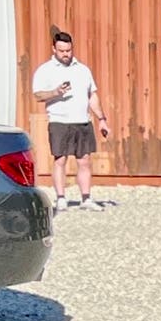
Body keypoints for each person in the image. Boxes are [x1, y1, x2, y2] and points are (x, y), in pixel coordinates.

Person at [32, 29, 114, 211]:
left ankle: (86, 198)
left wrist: (101, 119)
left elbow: (92, 95)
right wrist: (55, 92)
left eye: (68, 50)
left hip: (82, 121)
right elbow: (37, 95)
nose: (66, 54)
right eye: (62, 51)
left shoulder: (82, 70)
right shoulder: (45, 70)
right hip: (59, 121)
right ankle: (61, 198)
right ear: (54, 49)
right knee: (60, 159)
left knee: (84, 160)